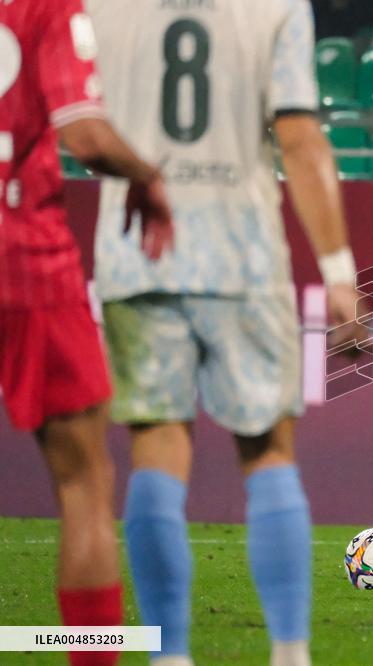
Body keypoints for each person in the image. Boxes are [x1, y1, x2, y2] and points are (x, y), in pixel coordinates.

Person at [86, 0, 364, 664]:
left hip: (136, 249)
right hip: (241, 251)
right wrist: (340, 272)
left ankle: (169, 656)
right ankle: (290, 654)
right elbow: (297, 137)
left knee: (155, 453)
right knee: (268, 452)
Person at [0, 2, 173, 665]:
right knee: (84, 483)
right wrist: (149, 175)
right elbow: (87, 138)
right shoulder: (47, 6)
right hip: (21, 259)